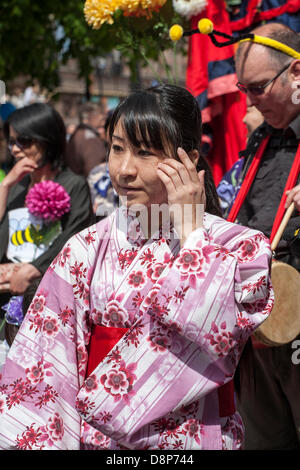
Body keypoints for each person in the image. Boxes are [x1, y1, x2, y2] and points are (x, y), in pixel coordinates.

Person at [0, 84, 273, 450]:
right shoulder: (85, 248)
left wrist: (192, 234)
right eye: (116, 148)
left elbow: (215, 332)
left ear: (189, 160)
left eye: (144, 153)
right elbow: (46, 367)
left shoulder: (238, 247)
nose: (124, 169)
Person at [231, 23, 300, 450]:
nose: (250, 101)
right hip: (259, 319)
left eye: (258, 87)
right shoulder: (262, 137)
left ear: (296, 74)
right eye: (244, 88)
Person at [0, 103, 95, 306]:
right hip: (6, 297)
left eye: (24, 141)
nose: (15, 149)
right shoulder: (15, 186)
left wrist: (34, 268)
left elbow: (74, 239)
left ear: (47, 140)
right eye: (12, 142)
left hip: (47, 296)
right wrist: (6, 185)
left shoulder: (74, 185)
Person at [64, 102, 107, 177]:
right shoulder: (89, 138)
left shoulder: (79, 134)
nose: (102, 118)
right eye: (99, 113)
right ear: (88, 117)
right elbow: (94, 173)